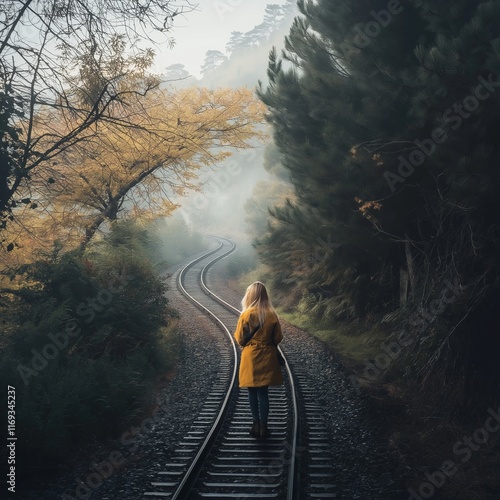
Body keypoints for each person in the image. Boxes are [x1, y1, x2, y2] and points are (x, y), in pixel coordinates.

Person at [233, 281, 283, 439]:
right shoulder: (272, 315)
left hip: (251, 356)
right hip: (267, 356)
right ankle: (264, 426)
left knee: (251, 392)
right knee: (263, 393)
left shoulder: (246, 315)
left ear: (250, 295)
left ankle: (255, 424)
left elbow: (240, 339)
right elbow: (278, 337)